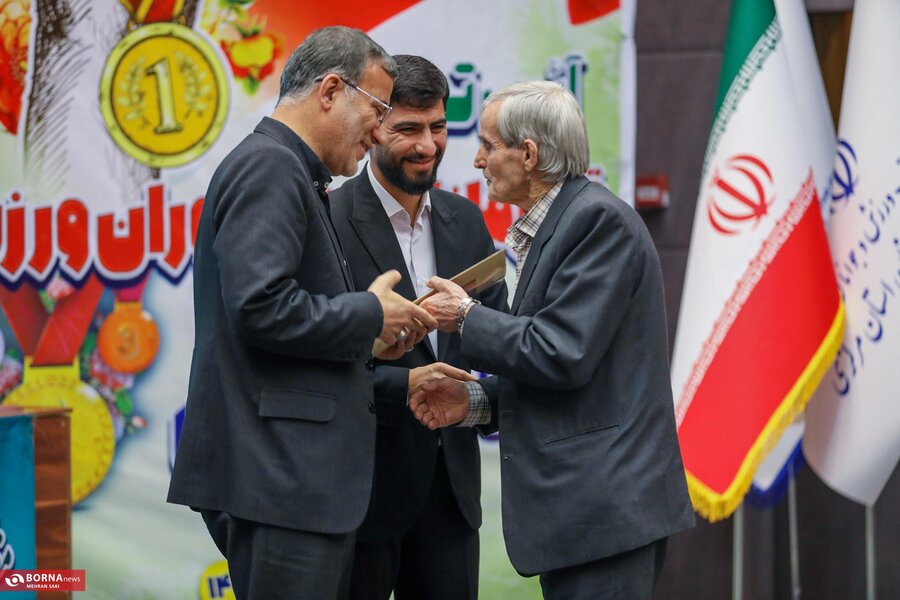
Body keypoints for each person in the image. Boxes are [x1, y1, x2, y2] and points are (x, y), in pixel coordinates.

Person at [167, 27, 437, 600]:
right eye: (379, 108)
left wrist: (370, 338)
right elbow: (259, 306)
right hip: (279, 478)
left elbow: (278, 316)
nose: (379, 130)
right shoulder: (270, 167)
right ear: (332, 91)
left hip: (289, 480)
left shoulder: (291, 169)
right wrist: (369, 314)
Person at [410, 81, 695, 599]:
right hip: (585, 517)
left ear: (529, 154)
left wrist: (465, 315)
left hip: (604, 514)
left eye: (488, 145)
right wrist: (473, 402)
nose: (477, 161)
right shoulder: (563, 222)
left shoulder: (595, 221)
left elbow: (560, 353)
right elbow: (560, 374)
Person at [330, 55, 508, 600]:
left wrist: (480, 400)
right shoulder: (327, 219)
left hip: (451, 498)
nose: (427, 145)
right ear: (372, 128)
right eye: (408, 129)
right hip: (358, 497)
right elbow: (316, 357)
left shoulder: (466, 219)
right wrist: (405, 385)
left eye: (438, 127)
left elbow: (501, 337)